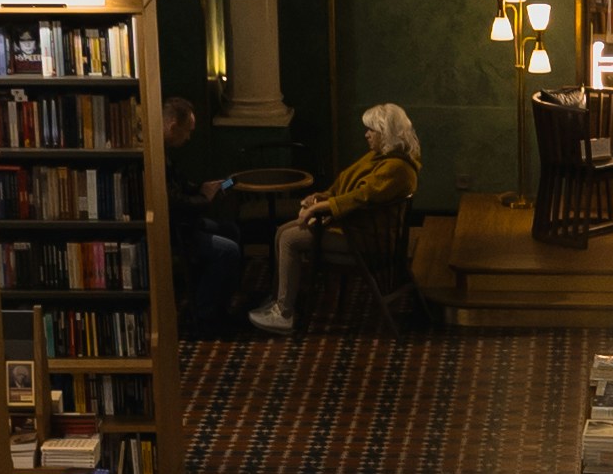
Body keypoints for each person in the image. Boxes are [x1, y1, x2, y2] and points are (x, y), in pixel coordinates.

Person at [247, 101, 420, 332]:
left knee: (290, 239)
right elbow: (344, 186)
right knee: (281, 232)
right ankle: (281, 300)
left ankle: (284, 312)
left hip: (366, 240)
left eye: (372, 130)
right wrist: (320, 197)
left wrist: (318, 209)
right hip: (356, 230)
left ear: (385, 133)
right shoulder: (378, 157)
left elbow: (361, 197)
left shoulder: (397, 168)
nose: (366, 135)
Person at [159, 95, 248, 340]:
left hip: (184, 222)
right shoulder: (155, 156)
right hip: (175, 229)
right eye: (187, 132)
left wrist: (201, 188)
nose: (188, 138)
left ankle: (220, 303)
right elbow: (173, 204)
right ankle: (205, 315)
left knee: (230, 230)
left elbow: (177, 188)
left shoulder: (164, 152)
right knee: (228, 250)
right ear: (172, 127)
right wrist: (204, 199)